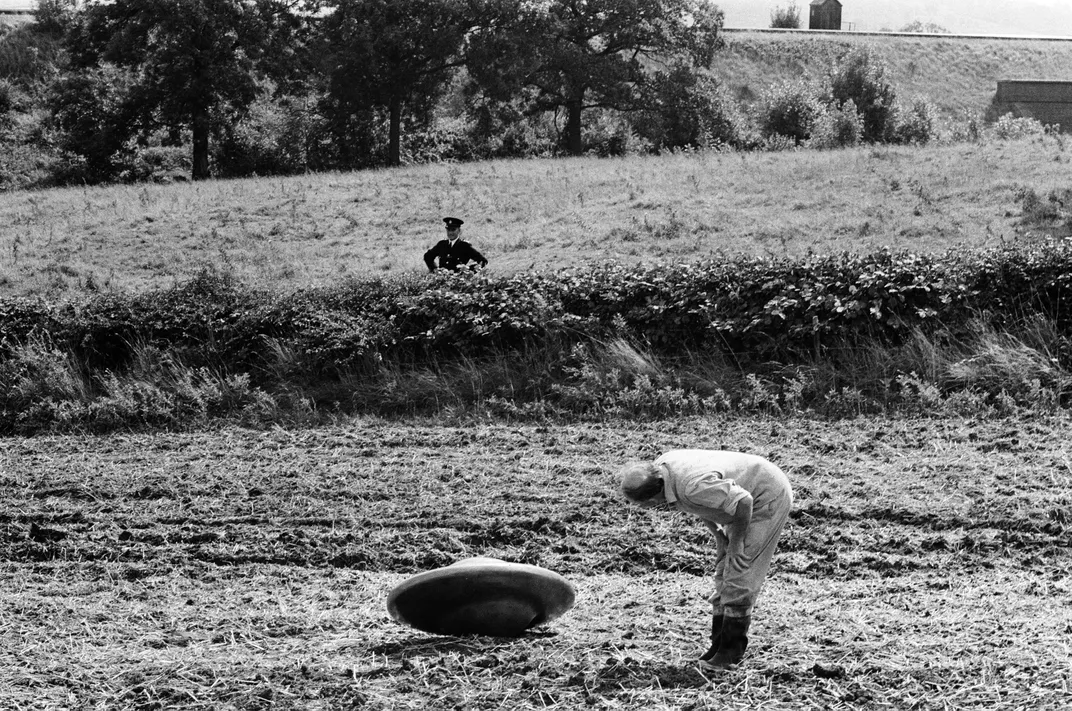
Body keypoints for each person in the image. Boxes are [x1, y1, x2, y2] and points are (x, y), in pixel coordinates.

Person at [619, 449, 793, 669]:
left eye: (647, 504)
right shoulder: (663, 470)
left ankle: (730, 654)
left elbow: (743, 502)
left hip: (764, 495)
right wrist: (720, 537)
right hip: (739, 499)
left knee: (740, 570)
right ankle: (718, 645)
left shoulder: (692, 485)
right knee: (723, 570)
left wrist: (736, 543)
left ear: (654, 497)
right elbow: (701, 504)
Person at [424, 217, 488, 272]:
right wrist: (435, 270)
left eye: (453, 230)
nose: (450, 233)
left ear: (459, 230)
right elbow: (427, 257)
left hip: (458, 282)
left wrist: (467, 271)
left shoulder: (465, 246)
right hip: (442, 280)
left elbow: (483, 261)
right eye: (448, 230)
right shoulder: (442, 244)